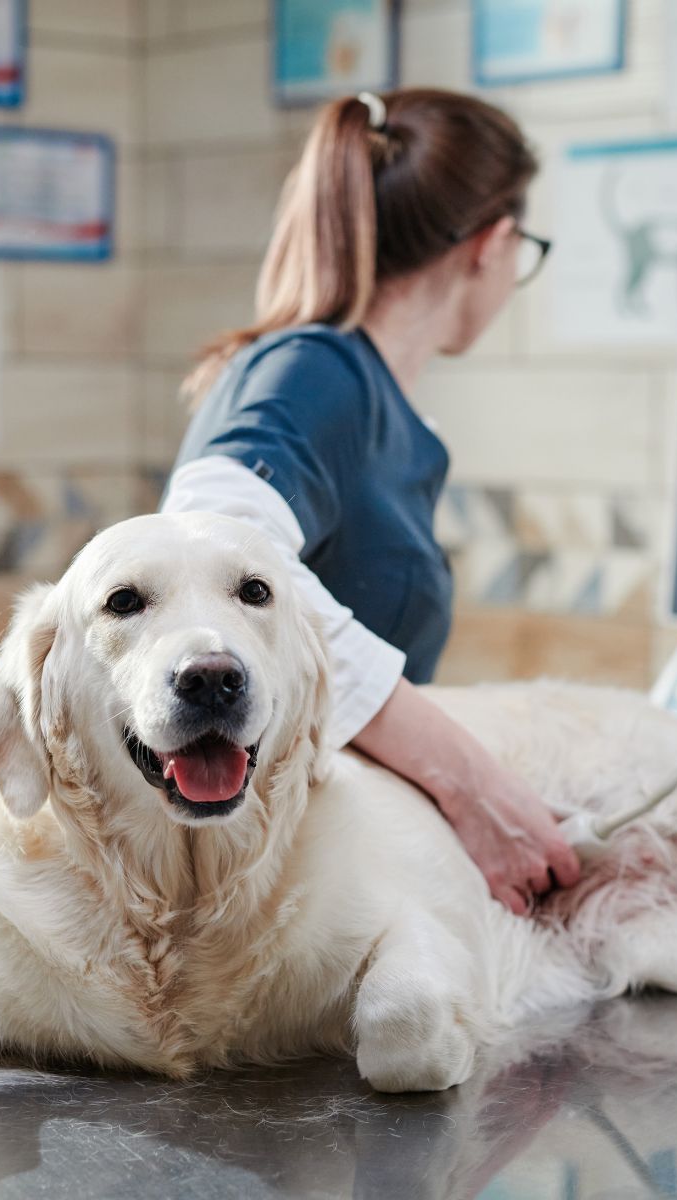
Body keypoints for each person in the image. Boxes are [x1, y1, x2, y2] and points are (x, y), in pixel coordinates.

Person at [161, 87, 579, 916]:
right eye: (523, 249)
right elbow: (206, 543)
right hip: (275, 894)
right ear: (491, 245)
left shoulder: (368, 399)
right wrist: (470, 783)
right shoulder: (317, 371)